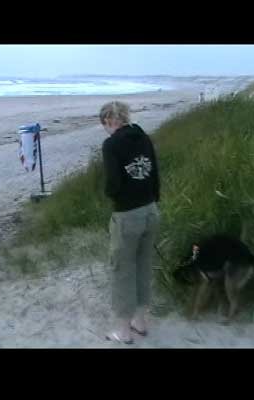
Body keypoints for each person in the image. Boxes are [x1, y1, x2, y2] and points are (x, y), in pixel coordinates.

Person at [99, 101, 160, 344]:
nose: (106, 129)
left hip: (127, 215)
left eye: (105, 124)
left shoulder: (111, 144)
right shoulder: (144, 137)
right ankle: (140, 321)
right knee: (142, 266)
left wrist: (111, 195)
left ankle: (123, 331)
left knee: (123, 271)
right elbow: (154, 174)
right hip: (150, 210)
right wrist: (152, 198)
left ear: (108, 120)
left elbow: (113, 184)